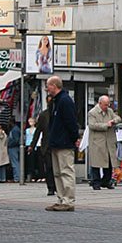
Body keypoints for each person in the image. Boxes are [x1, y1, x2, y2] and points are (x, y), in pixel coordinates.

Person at [45, 76, 79, 211]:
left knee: (66, 171)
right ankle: (61, 198)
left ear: (54, 85)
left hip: (64, 142)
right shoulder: (56, 101)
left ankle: (68, 200)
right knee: (58, 173)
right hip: (56, 142)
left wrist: (74, 137)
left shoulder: (65, 101)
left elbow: (71, 121)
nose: (47, 89)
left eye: (48, 86)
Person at [87, 95, 122, 190]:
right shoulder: (92, 112)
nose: (107, 107)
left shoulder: (109, 111)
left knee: (110, 162)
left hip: (109, 141)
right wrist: (106, 125)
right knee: (96, 163)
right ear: (100, 103)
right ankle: (96, 182)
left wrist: (114, 121)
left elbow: (118, 118)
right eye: (105, 105)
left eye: (108, 105)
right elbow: (92, 125)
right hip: (97, 141)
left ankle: (106, 181)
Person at [29, 95, 57, 196]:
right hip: (47, 145)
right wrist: (32, 145)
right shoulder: (43, 115)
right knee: (49, 167)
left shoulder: (59, 113)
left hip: (58, 144)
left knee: (57, 168)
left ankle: (57, 186)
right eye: (49, 102)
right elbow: (38, 131)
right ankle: (50, 187)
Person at [24, 115, 38, 181]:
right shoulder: (27, 130)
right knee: (28, 161)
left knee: (34, 161)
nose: (30, 122)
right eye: (29, 121)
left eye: (31, 121)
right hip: (27, 144)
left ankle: (34, 175)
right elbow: (26, 137)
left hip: (34, 145)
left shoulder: (36, 129)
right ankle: (29, 175)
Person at [7, 118, 21, 182]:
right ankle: (17, 176)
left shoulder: (15, 130)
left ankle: (17, 177)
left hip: (13, 148)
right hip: (14, 147)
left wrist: (9, 144)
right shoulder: (16, 129)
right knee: (15, 162)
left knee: (15, 163)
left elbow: (16, 140)